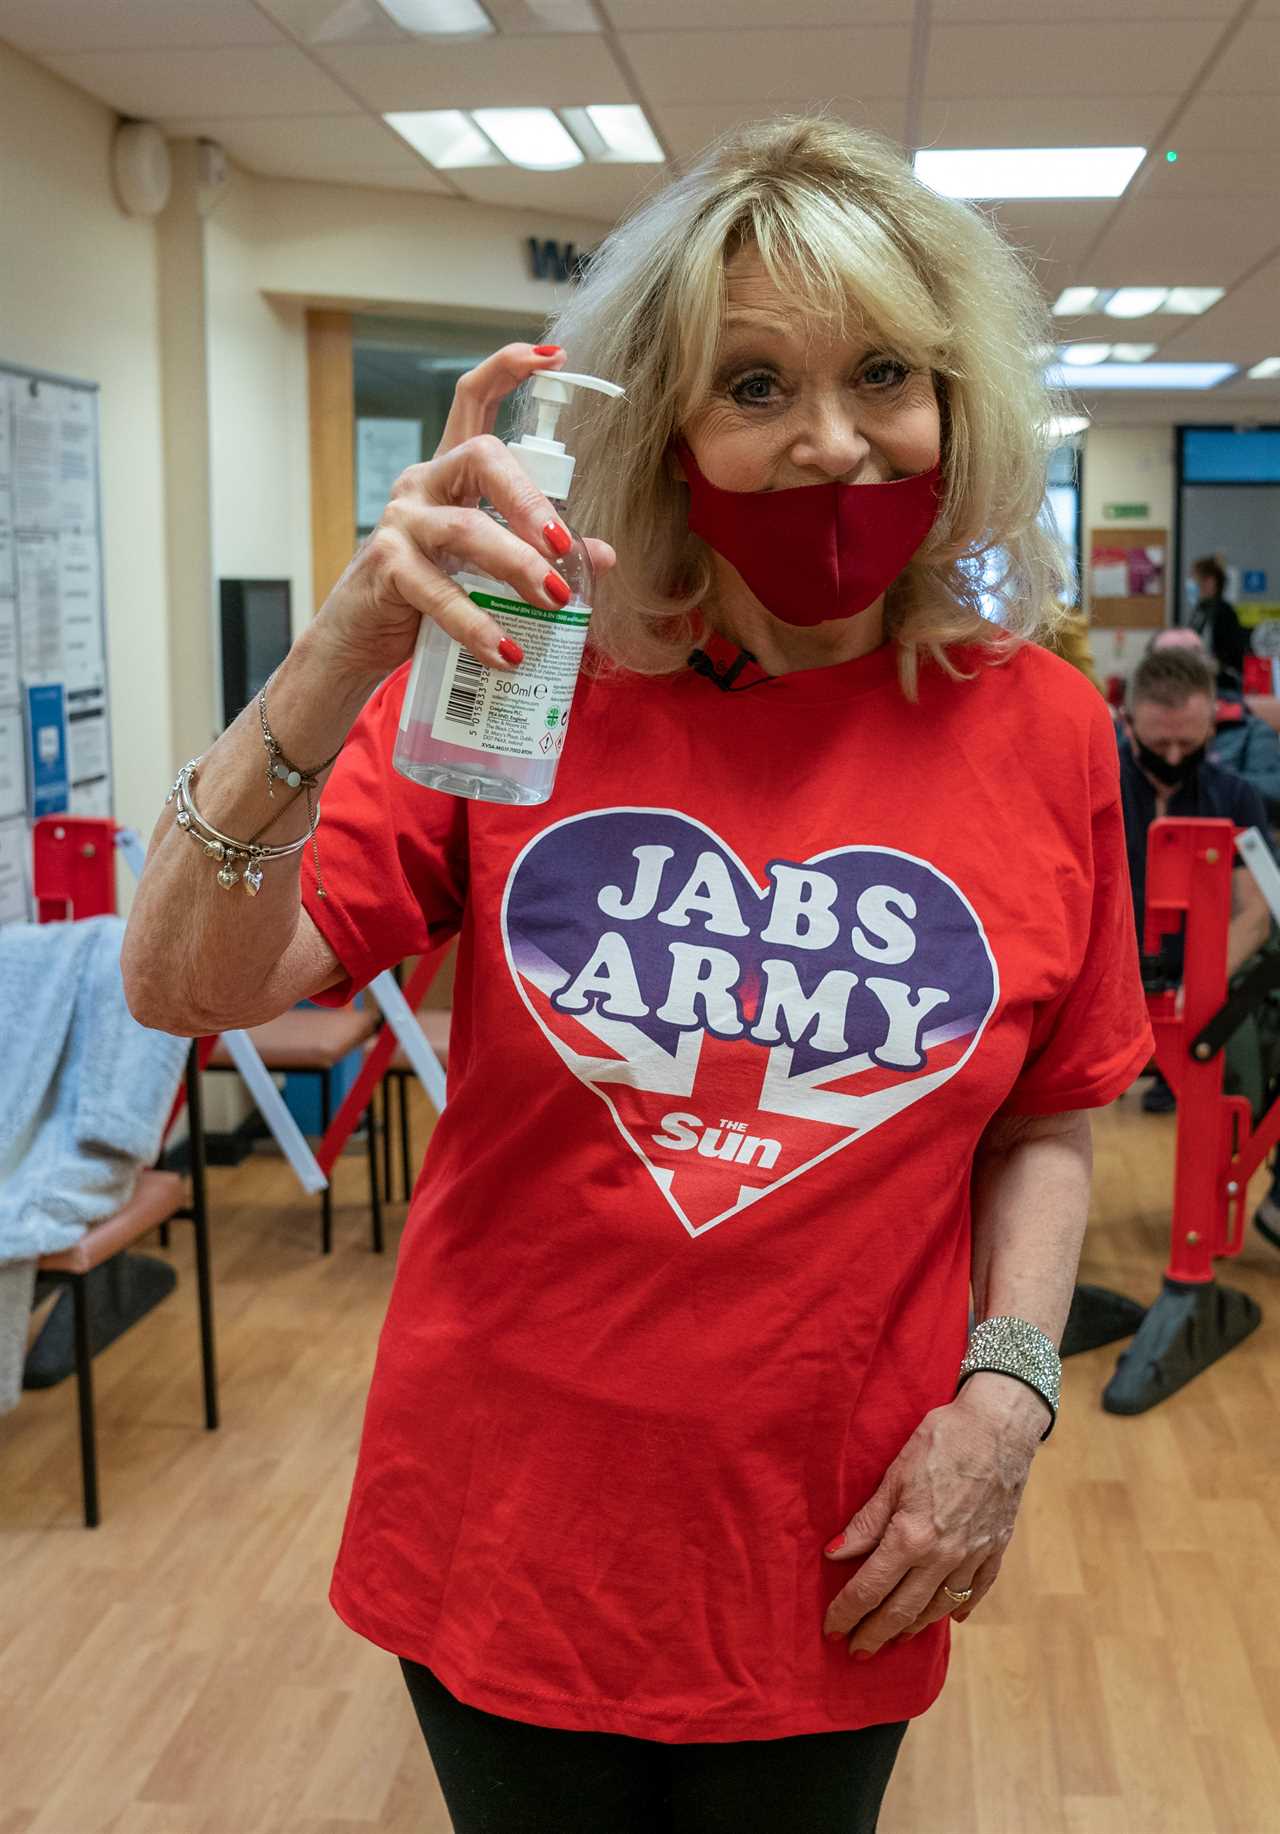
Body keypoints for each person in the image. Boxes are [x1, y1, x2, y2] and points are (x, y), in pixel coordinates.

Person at [122, 119, 1153, 1833]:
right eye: (755, 385)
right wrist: (338, 654)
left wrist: (1008, 1389)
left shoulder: (1047, 731)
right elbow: (183, 979)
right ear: (667, 424)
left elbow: (1048, 1112)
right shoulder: (518, 681)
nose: (832, 441)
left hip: (837, 1542)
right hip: (506, 1522)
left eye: (884, 372)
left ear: (957, 398)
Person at [1118, 646, 1272, 1115]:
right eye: (1157, 744)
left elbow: (1256, 914)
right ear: (1128, 726)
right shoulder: (1093, 789)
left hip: (1204, 980)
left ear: (1211, 727)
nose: (1171, 757)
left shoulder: (1236, 797)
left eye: (1187, 744)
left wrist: (1201, 987)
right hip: (1110, 978)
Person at [1148, 626, 1280, 818]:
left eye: (1191, 661)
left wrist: (1202, 781)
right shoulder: (1132, 731)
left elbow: (1274, 791)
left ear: (1209, 671)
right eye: (1168, 666)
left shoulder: (1250, 729)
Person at [1189, 554, 1248, 680]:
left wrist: (1216, 664)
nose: (1192, 584)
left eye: (1196, 580)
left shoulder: (1225, 612)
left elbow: (1232, 652)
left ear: (1210, 582)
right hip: (1200, 677)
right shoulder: (1200, 610)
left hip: (1221, 682)